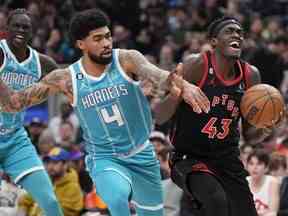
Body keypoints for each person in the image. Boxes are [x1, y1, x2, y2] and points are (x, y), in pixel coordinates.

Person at [0, 9, 210, 216]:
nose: (107, 43)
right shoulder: (66, 78)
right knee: (118, 197)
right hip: (104, 157)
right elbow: (15, 103)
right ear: (81, 44)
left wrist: (184, 85)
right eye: (98, 39)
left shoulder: (127, 59)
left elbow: (158, 76)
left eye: (108, 36)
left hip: (142, 153)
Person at [153, 16, 284, 216]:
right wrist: (176, 93)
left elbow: (250, 136)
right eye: (230, 31)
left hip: (227, 159)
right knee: (216, 200)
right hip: (188, 157)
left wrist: (266, 127)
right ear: (213, 41)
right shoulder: (196, 65)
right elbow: (160, 117)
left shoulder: (251, 75)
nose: (237, 35)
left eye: (240, 32)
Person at [0, 8, 63, 216]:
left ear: (32, 32)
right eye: (16, 25)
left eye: (25, 27)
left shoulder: (42, 63)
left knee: (51, 202)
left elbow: (67, 80)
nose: (20, 30)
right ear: (6, 29)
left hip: (15, 139)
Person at [246, 150, 280, 216]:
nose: (254, 167)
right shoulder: (243, 182)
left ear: (266, 168)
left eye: (259, 164)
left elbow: (273, 212)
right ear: (247, 167)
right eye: (251, 163)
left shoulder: (272, 182)